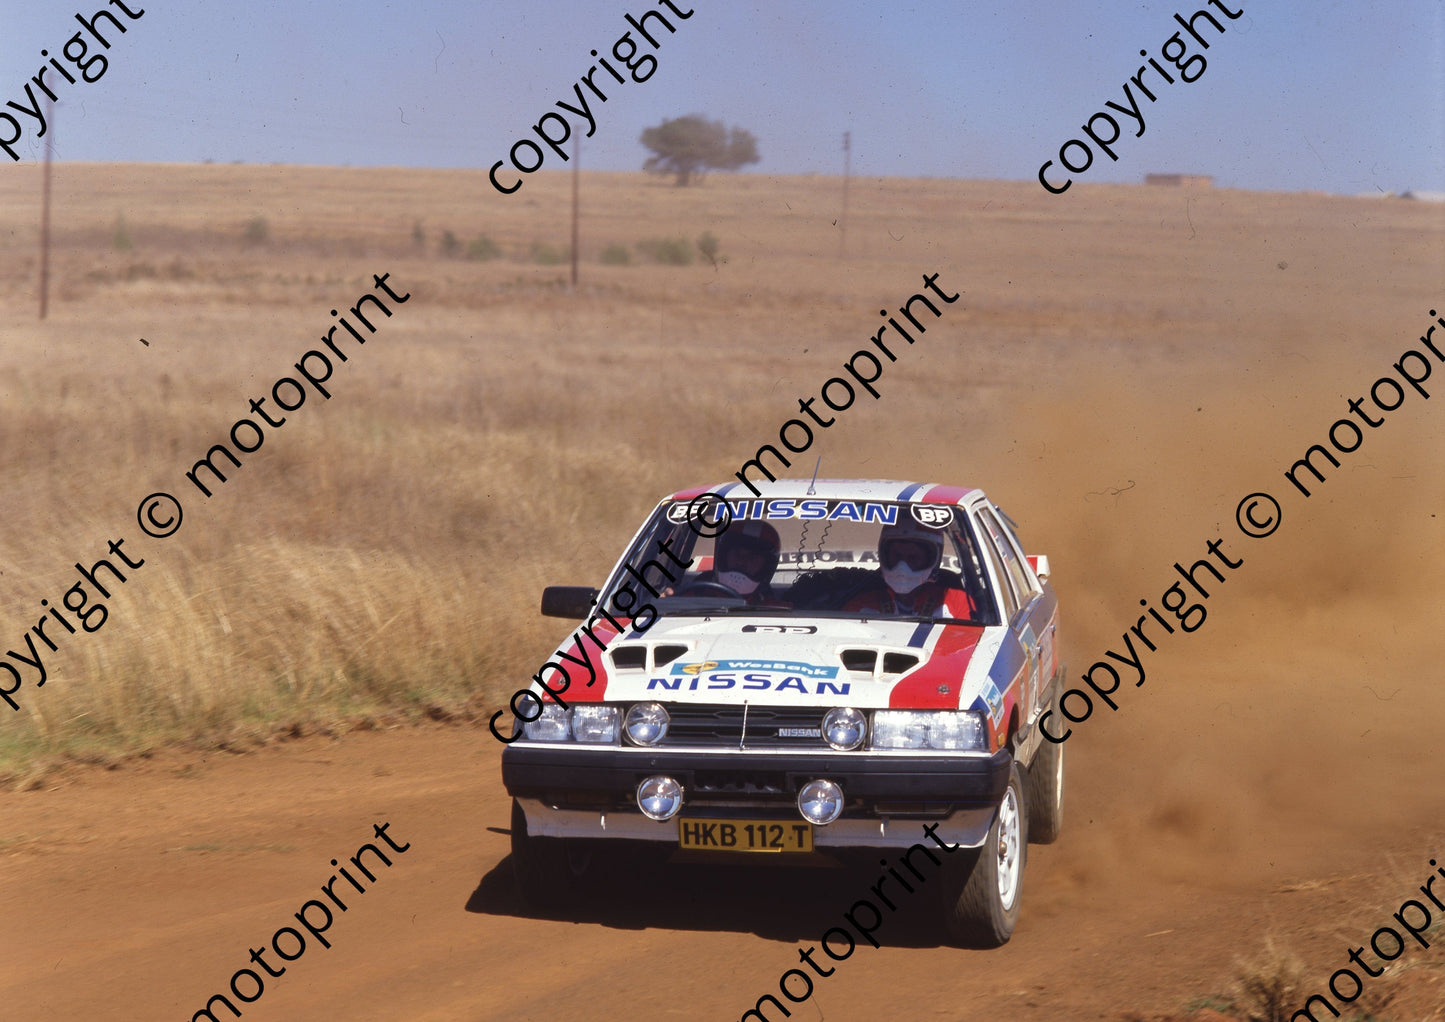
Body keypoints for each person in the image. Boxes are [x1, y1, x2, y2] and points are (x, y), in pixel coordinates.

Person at [844, 519, 973, 617]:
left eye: (913, 558)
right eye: (897, 556)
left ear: (933, 559)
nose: (902, 567)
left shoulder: (958, 602)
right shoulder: (861, 605)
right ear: (884, 555)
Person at [688, 520, 781, 604]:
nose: (741, 562)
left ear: (766, 566)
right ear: (723, 556)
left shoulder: (777, 611)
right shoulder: (690, 596)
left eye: (752, 557)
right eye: (737, 553)